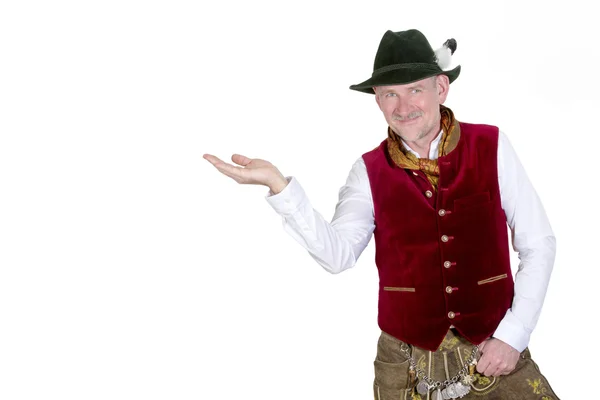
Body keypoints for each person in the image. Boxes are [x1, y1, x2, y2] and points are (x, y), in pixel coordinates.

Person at [203, 29, 558, 400]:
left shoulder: (492, 146)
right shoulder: (367, 171)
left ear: (441, 87)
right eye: (390, 93)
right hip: (405, 367)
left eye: (414, 89)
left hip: (493, 352)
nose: (402, 107)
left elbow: (539, 243)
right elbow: (338, 255)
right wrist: (280, 187)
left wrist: (513, 335)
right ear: (377, 99)